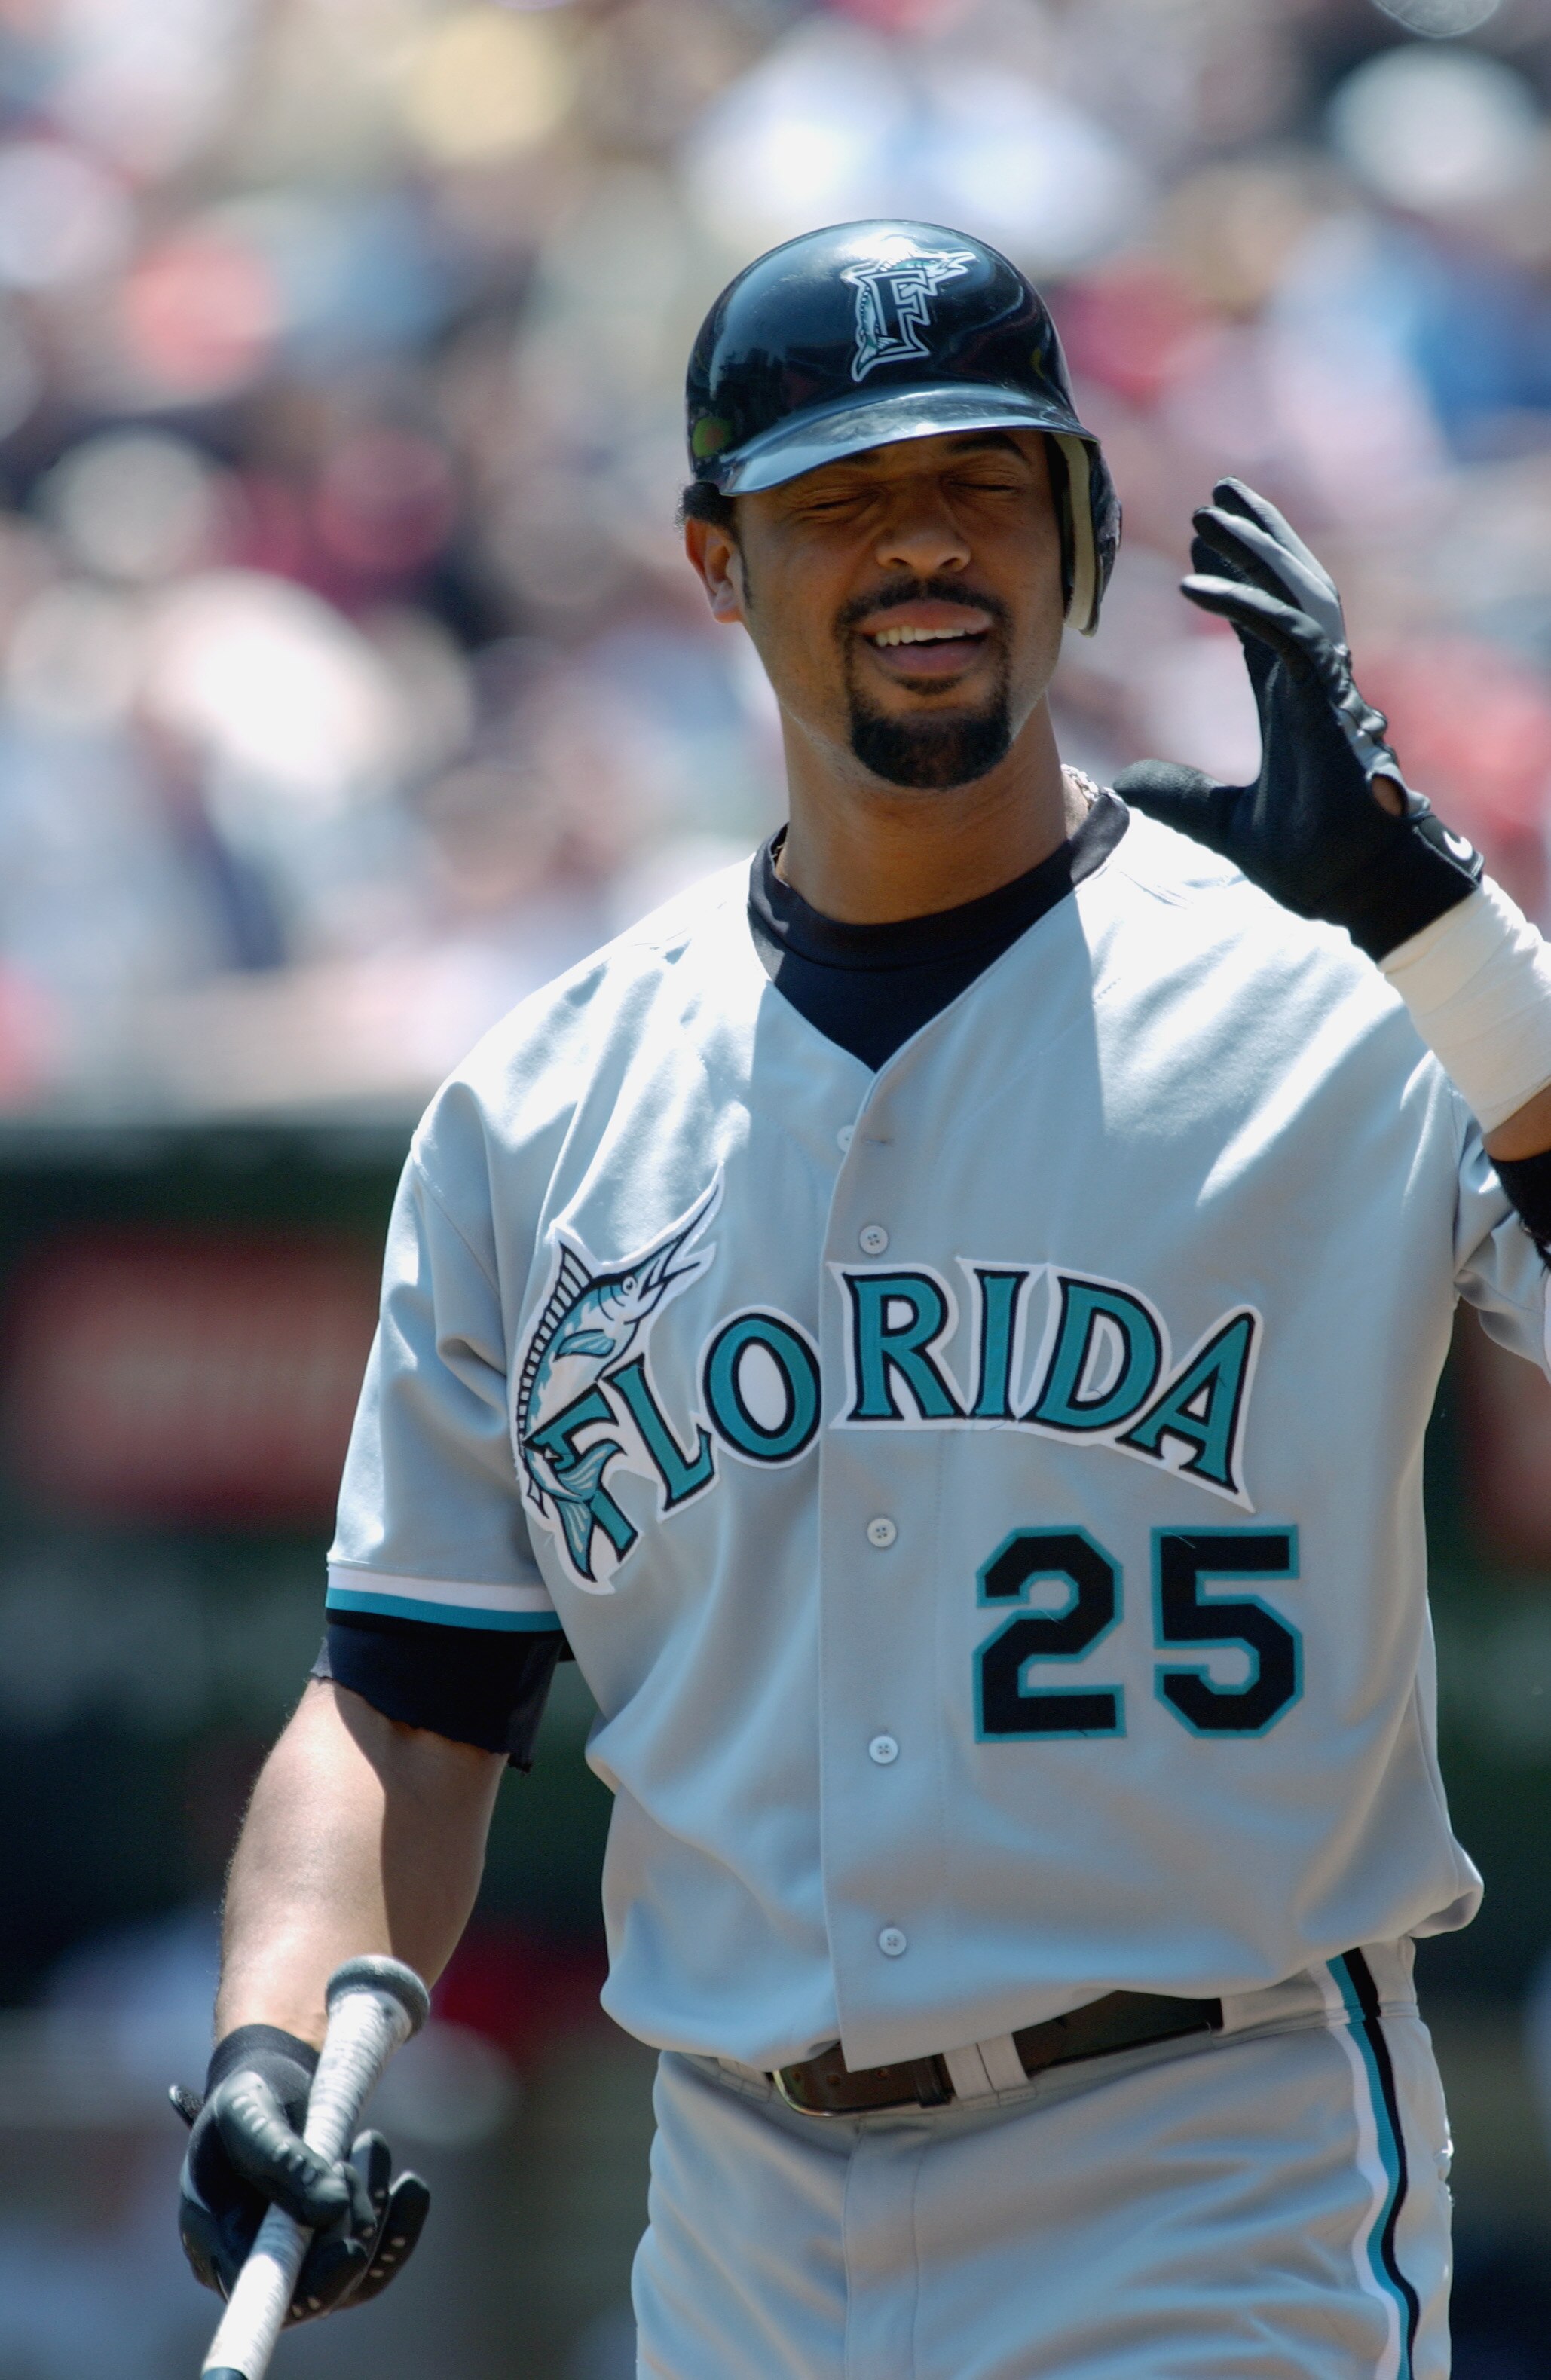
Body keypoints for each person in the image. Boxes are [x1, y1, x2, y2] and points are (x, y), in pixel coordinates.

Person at [176, 221, 1551, 2376]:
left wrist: (1434, 917)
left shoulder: (1339, 1004)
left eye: (982, 486)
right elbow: (402, 1712)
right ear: (716, 562)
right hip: (734, 2210)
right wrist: (274, 2031)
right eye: (841, 500)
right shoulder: (547, 1105)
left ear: (1083, 535)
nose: (922, 546)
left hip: (1207, 2161)